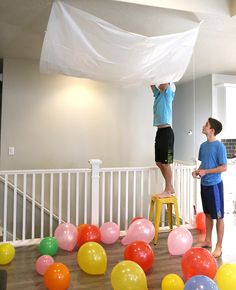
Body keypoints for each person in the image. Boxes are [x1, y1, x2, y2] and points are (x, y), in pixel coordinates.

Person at [192, 117, 227, 258]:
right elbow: (204, 164)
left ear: (211, 130)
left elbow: (224, 167)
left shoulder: (220, 147)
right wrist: (198, 171)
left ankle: (219, 246)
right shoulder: (203, 146)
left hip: (214, 186)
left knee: (218, 217)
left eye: (206, 124)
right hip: (204, 185)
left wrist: (205, 172)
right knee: (207, 214)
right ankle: (207, 240)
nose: (203, 126)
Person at [151, 83, 175, 198]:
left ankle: (168, 189)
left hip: (167, 133)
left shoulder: (169, 91)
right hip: (160, 132)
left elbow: (164, 84)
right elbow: (152, 85)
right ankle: (170, 186)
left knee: (166, 163)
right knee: (159, 162)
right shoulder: (158, 95)